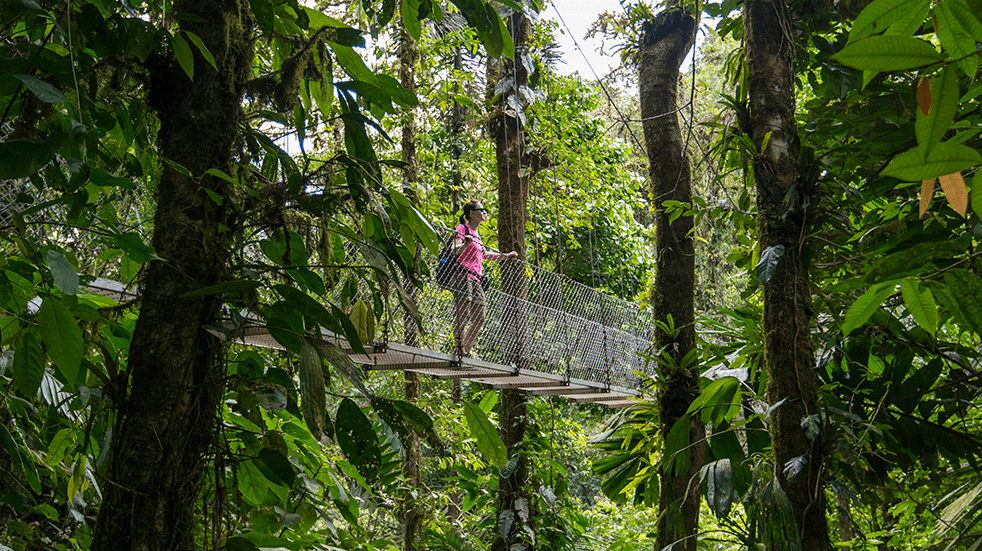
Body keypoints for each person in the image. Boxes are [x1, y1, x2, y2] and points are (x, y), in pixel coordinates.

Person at [451, 200, 518, 357]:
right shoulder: (462, 228)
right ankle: (459, 348)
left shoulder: (477, 235)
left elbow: (484, 254)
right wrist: (465, 244)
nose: (484, 212)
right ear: (472, 213)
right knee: (464, 312)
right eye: (481, 210)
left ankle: (465, 350)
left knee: (480, 317)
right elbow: (454, 249)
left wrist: (505, 257)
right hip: (462, 274)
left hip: (476, 278)